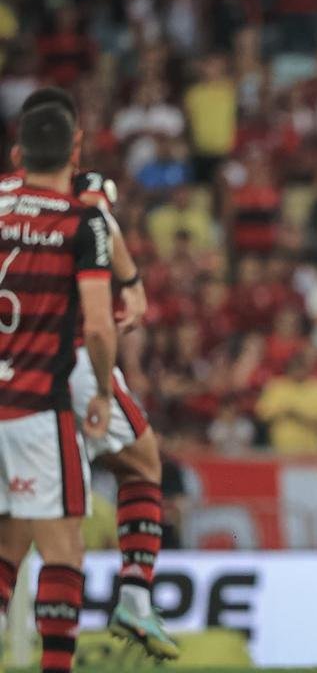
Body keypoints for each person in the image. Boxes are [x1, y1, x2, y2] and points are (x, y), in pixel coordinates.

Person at [16, 88, 178, 658]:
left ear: (19, 150)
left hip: (11, 371)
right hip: (64, 361)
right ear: (74, 143)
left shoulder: (8, 196)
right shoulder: (84, 199)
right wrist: (131, 285)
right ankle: (134, 595)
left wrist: (129, 282)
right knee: (140, 464)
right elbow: (102, 230)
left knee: (13, 535)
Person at [0, 103, 116, 673]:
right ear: (74, 154)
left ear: (18, 154)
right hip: (36, 410)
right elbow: (97, 325)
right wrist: (103, 392)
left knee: (4, 549)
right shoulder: (81, 222)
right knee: (64, 549)